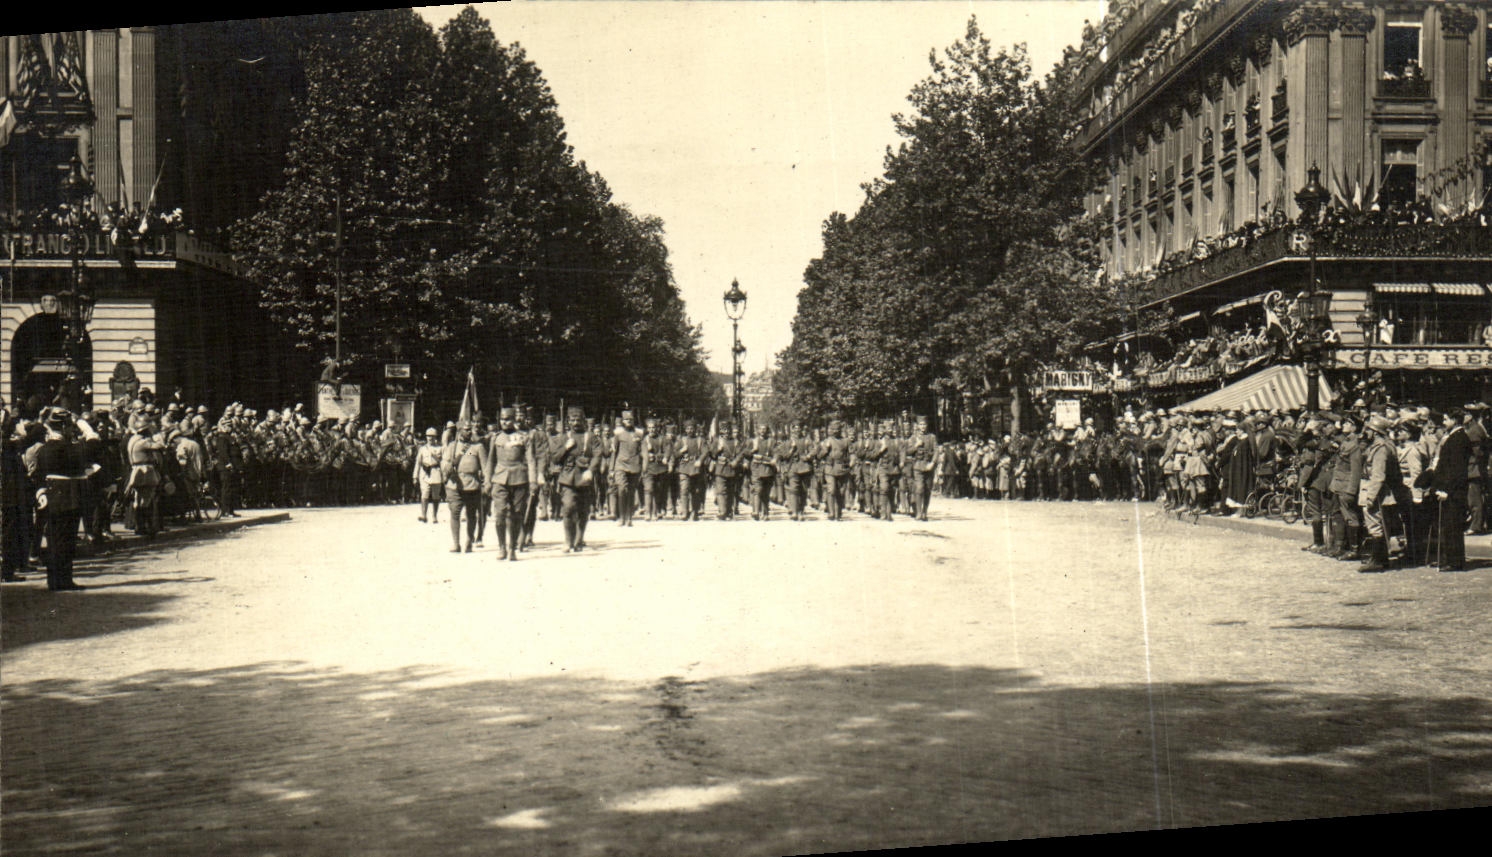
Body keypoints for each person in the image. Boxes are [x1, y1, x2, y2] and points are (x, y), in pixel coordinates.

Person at [25, 408, 89, 591]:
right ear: (63, 426)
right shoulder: (67, 447)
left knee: (54, 539)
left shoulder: (45, 448)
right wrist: (84, 427)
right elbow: (91, 446)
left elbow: (38, 475)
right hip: (67, 496)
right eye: (69, 426)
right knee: (66, 540)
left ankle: (54, 579)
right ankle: (64, 580)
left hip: (52, 495)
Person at [487, 406, 537, 562]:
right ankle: (502, 546)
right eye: (502, 419)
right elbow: (490, 461)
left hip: (519, 478)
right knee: (500, 514)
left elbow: (531, 460)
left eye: (507, 419)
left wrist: (533, 480)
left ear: (514, 419)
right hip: (500, 479)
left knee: (516, 515)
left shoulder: (524, 437)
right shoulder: (495, 438)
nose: (504, 422)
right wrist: (487, 481)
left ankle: (512, 548)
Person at [1357, 415, 1404, 573]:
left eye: (1368, 430)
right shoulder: (1384, 446)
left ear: (1375, 432)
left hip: (1376, 492)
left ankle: (1377, 560)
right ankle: (1380, 558)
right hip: (1378, 491)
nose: (1366, 432)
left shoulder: (1380, 448)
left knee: (1375, 525)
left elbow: (1378, 475)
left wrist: (1371, 497)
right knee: (1378, 524)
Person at [554, 407, 601, 552]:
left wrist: (591, 470)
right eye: (572, 420)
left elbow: (597, 456)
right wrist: (566, 448)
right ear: (568, 421)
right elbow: (555, 458)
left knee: (583, 510)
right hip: (567, 479)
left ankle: (579, 538)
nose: (575, 423)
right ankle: (568, 541)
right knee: (568, 508)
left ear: (583, 421)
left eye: (578, 420)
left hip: (584, 478)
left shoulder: (591, 437)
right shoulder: (563, 437)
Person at [1430, 409, 1471, 571]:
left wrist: (1446, 489)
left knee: (1453, 525)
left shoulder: (1458, 439)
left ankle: (1455, 561)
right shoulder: (1455, 437)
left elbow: (1455, 469)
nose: (1444, 422)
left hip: (1453, 491)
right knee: (1450, 525)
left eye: (1446, 419)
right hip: (1452, 489)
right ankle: (1452, 559)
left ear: (1455, 420)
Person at [441, 421, 489, 553]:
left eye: (470, 429)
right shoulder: (451, 447)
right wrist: (448, 467)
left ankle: (469, 540)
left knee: (471, 514)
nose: (470, 432)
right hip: (454, 484)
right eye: (466, 429)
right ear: (459, 431)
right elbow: (443, 464)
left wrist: (486, 485)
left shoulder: (478, 447)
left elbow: (485, 468)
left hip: (472, 485)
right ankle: (456, 544)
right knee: (455, 513)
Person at [612, 410, 645, 527]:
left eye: (630, 420)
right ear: (623, 421)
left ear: (633, 420)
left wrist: (643, 467)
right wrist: (611, 469)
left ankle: (629, 517)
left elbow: (642, 451)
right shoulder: (618, 434)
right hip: (620, 465)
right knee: (622, 490)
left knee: (631, 492)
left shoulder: (639, 434)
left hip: (634, 466)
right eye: (626, 420)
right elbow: (614, 452)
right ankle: (621, 517)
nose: (628, 422)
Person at [907, 415, 938, 521]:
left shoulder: (932, 437)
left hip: (929, 467)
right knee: (919, 488)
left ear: (927, 425)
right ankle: (919, 513)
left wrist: (933, 463)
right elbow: (908, 451)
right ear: (918, 426)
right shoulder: (913, 437)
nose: (923, 426)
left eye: (924, 424)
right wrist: (916, 445)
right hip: (918, 466)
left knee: (927, 490)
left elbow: (936, 451)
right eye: (921, 424)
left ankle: (924, 511)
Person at [820, 420, 852, 521]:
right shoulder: (827, 441)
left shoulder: (846, 441)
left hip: (842, 468)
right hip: (830, 468)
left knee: (841, 492)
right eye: (833, 429)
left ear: (840, 430)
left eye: (837, 429)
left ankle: (838, 512)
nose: (835, 431)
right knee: (831, 490)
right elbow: (819, 455)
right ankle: (831, 512)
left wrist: (852, 463)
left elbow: (852, 453)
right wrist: (826, 449)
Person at [676, 419, 707, 521]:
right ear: (685, 429)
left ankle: (695, 511)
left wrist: (700, 460)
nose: (690, 430)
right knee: (684, 490)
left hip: (696, 468)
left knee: (696, 491)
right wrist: (681, 451)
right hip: (684, 468)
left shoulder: (700, 440)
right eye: (688, 428)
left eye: (692, 428)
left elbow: (705, 452)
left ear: (695, 429)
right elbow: (674, 454)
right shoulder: (681, 440)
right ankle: (685, 512)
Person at [414, 428, 444, 523]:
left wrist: (445, 475)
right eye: (428, 436)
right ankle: (424, 515)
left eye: (432, 436)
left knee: (436, 496)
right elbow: (418, 463)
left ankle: (434, 516)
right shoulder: (422, 449)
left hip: (436, 472)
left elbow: (443, 462)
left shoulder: (440, 448)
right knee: (425, 494)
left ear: (435, 437)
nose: (430, 438)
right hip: (425, 473)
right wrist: (415, 476)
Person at [748, 424, 777, 520]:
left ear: (767, 430)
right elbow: (746, 453)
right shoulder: (753, 441)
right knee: (758, 490)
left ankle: (765, 512)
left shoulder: (771, 441)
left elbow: (776, 453)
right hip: (756, 468)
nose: (763, 431)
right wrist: (752, 451)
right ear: (758, 430)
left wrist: (775, 459)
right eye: (761, 429)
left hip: (768, 469)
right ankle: (756, 511)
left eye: (764, 429)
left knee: (766, 492)